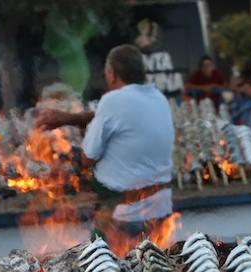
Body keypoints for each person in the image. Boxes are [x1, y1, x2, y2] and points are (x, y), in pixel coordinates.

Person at [36, 44, 174, 250]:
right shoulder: (158, 98)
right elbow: (121, 117)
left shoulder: (112, 100)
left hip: (122, 215)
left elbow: (87, 157)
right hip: (161, 208)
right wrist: (71, 119)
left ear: (112, 73)